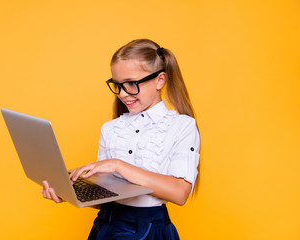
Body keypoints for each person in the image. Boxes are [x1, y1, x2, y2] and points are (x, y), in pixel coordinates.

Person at [41, 39, 200, 239]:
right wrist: (71, 194)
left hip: (149, 231)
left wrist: (118, 165)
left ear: (160, 80)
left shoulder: (182, 126)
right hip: (107, 228)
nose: (123, 94)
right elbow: (108, 196)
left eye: (132, 84)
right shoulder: (110, 129)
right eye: (118, 85)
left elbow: (179, 193)